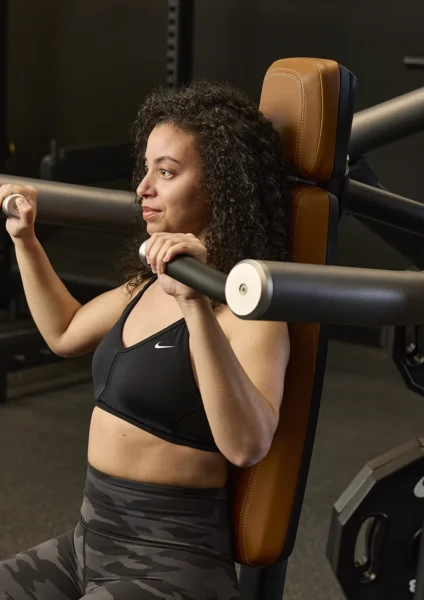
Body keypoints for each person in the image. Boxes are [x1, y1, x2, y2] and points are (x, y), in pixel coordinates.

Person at [0, 81, 292, 599]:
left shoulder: (248, 310)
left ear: (220, 186)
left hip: (169, 560)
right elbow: (65, 332)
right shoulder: (146, 283)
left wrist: (194, 302)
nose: (143, 188)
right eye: (147, 169)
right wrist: (25, 241)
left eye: (166, 172)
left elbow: (247, 445)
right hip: (87, 541)